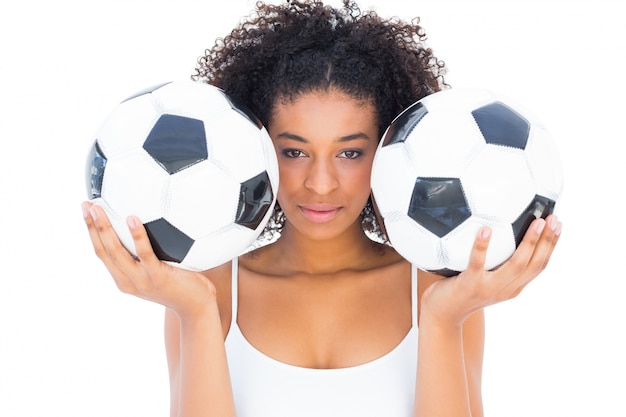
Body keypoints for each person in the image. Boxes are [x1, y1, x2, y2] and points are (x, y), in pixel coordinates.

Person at [81, 1, 563, 416]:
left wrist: (442, 321)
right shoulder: (208, 289)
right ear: (258, 152)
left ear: (391, 154)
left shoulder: (439, 290)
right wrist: (196, 312)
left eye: (350, 153)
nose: (320, 182)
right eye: (294, 151)